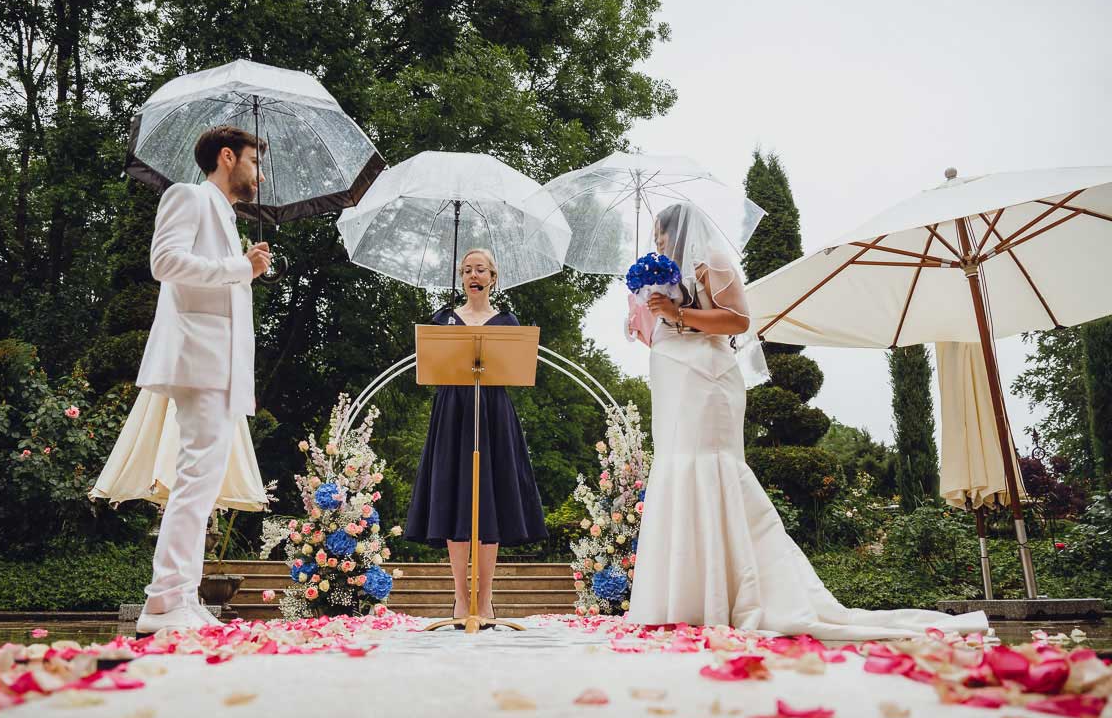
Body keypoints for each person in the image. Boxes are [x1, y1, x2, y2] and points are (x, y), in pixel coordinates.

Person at [624, 203, 988, 639]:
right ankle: (681, 596)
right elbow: (670, 331)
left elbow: (738, 320)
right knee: (677, 469)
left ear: (679, 231)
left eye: (661, 236)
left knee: (708, 467)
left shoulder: (710, 262)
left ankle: (729, 594)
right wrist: (646, 320)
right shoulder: (666, 276)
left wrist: (677, 314)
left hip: (707, 381)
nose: (658, 244)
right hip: (673, 381)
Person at [134, 125, 273, 635]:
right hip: (197, 358)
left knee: (204, 483)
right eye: (255, 163)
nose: (260, 176)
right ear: (227, 157)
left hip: (222, 367)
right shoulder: (188, 196)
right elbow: (164, 262)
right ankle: (162, 600)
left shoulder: (227, 218)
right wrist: (239, 267)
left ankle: (182, 596)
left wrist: (244, 267)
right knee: (195, 480)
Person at [405, 248, 547, 624]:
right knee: (454, 500)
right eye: (467, 270)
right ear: (462, 278)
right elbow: (431, 367)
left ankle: (485, 600)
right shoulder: (443, 319)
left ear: (492, 277)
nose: (473, 275)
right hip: (452, 412)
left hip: (493, 413)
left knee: (489, 502)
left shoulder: (508, 322)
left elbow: (517, 369)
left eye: (480, 269)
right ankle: (459, 597)